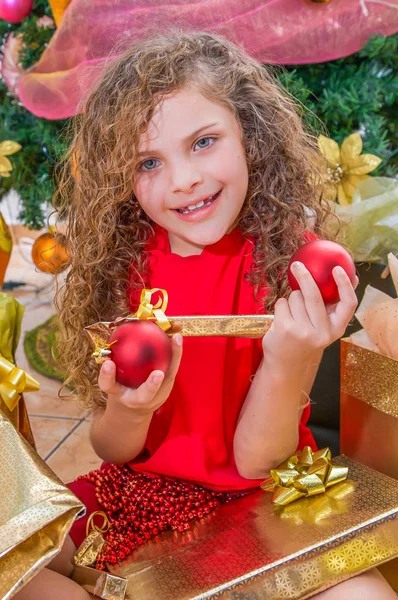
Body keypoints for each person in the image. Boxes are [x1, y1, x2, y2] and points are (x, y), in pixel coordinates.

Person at [15, 31, 395, 599]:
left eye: (204, 142)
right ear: (122, 177)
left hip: (265, 493)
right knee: (18, 571)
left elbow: (255, 463)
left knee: (363, 594)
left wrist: (291, 358)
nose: (183, 179)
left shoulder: (289, 264)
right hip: (138, 495)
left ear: (250, 135)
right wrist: (128, 406)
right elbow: (113, 449)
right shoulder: (123, 268)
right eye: (149, 161)